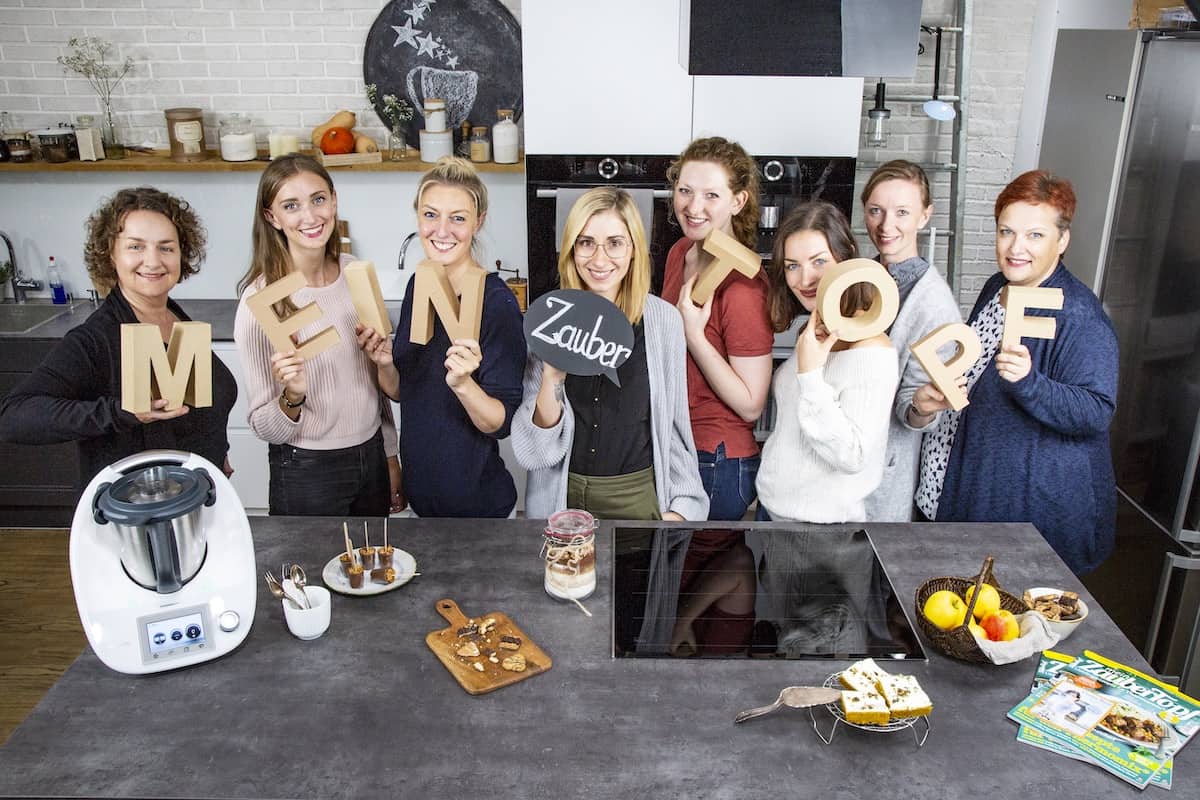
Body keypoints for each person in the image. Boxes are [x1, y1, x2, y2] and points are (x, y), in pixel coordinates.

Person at [915, 170, 1118, 576]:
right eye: (1006, 231)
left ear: (1062, 241)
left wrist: (1031, 383)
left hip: (1027, 509)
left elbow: (1096, 411)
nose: (1015, 247)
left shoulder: (1079, 315)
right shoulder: (998, 287)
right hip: (962, 484)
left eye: (1035, 235)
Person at [0, 187, 236, 485]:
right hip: (138, 512)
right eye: (135, 247)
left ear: (181, 254)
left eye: (166, 247)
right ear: (110, 254)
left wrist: (218, 454)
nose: (153, 261)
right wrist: (121, 411)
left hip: (199, 497)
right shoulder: (95, 339)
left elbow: (200, 412)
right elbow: (13, 417)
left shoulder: (176, 319)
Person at [512, 187, 708, 521]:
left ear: (634, 250)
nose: (599, 260)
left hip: (639, 500)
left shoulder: (663, 322)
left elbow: (674, 428)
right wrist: (552, 378)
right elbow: (535, 452)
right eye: (586, 242)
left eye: (615, 243)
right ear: (572, 249)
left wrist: (681, 510)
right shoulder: (549, 319)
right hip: (562, 502)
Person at [234, 154, 399, 517]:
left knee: (372, 571)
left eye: (318, 199)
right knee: (308, 574)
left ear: (334, 200)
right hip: (305, 468)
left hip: (370, 458)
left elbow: (384, 391)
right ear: (271, 217)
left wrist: (390, 455)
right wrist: (293, 395)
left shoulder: (355, 274)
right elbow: (264, 426)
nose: (310, 217)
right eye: (291, 205)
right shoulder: (260, 302)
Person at [371, 156, 526, 518]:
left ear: (478, 222)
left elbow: (501, 423)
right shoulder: (418, 285)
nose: (442, 230)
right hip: (422, 503)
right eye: (430, 215)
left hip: (479, 508)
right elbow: (405, 389)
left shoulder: (496, 302)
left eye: (457, 218)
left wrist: (462, 384)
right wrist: (382, 363)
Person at [755, 201, 898, 522]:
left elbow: (852, 455)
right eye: (791, 265)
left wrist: (809, 375)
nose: (804, 278)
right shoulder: (815, 329)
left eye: (818, 261)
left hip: (820, 531)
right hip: (774, 513)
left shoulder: (871, 347)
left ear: (846, 256)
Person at [660, 137, 773, 520]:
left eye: (711, 195)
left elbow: (750, 403)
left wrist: (695, 336)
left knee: (696, 575)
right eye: (685, 191)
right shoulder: (681, 252)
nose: (693, 207)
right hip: (678, 445)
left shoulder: (744, 284)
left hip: (717, 460)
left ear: (738, 201)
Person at [858, 160, 963, 521]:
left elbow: (913, 413)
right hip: (838, 465)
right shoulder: (863, 276)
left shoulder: (933, 304)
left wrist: (921, 405)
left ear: (925, 216)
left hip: (879, 478)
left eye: (902, 212)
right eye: (876, 211)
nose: (886, 226)